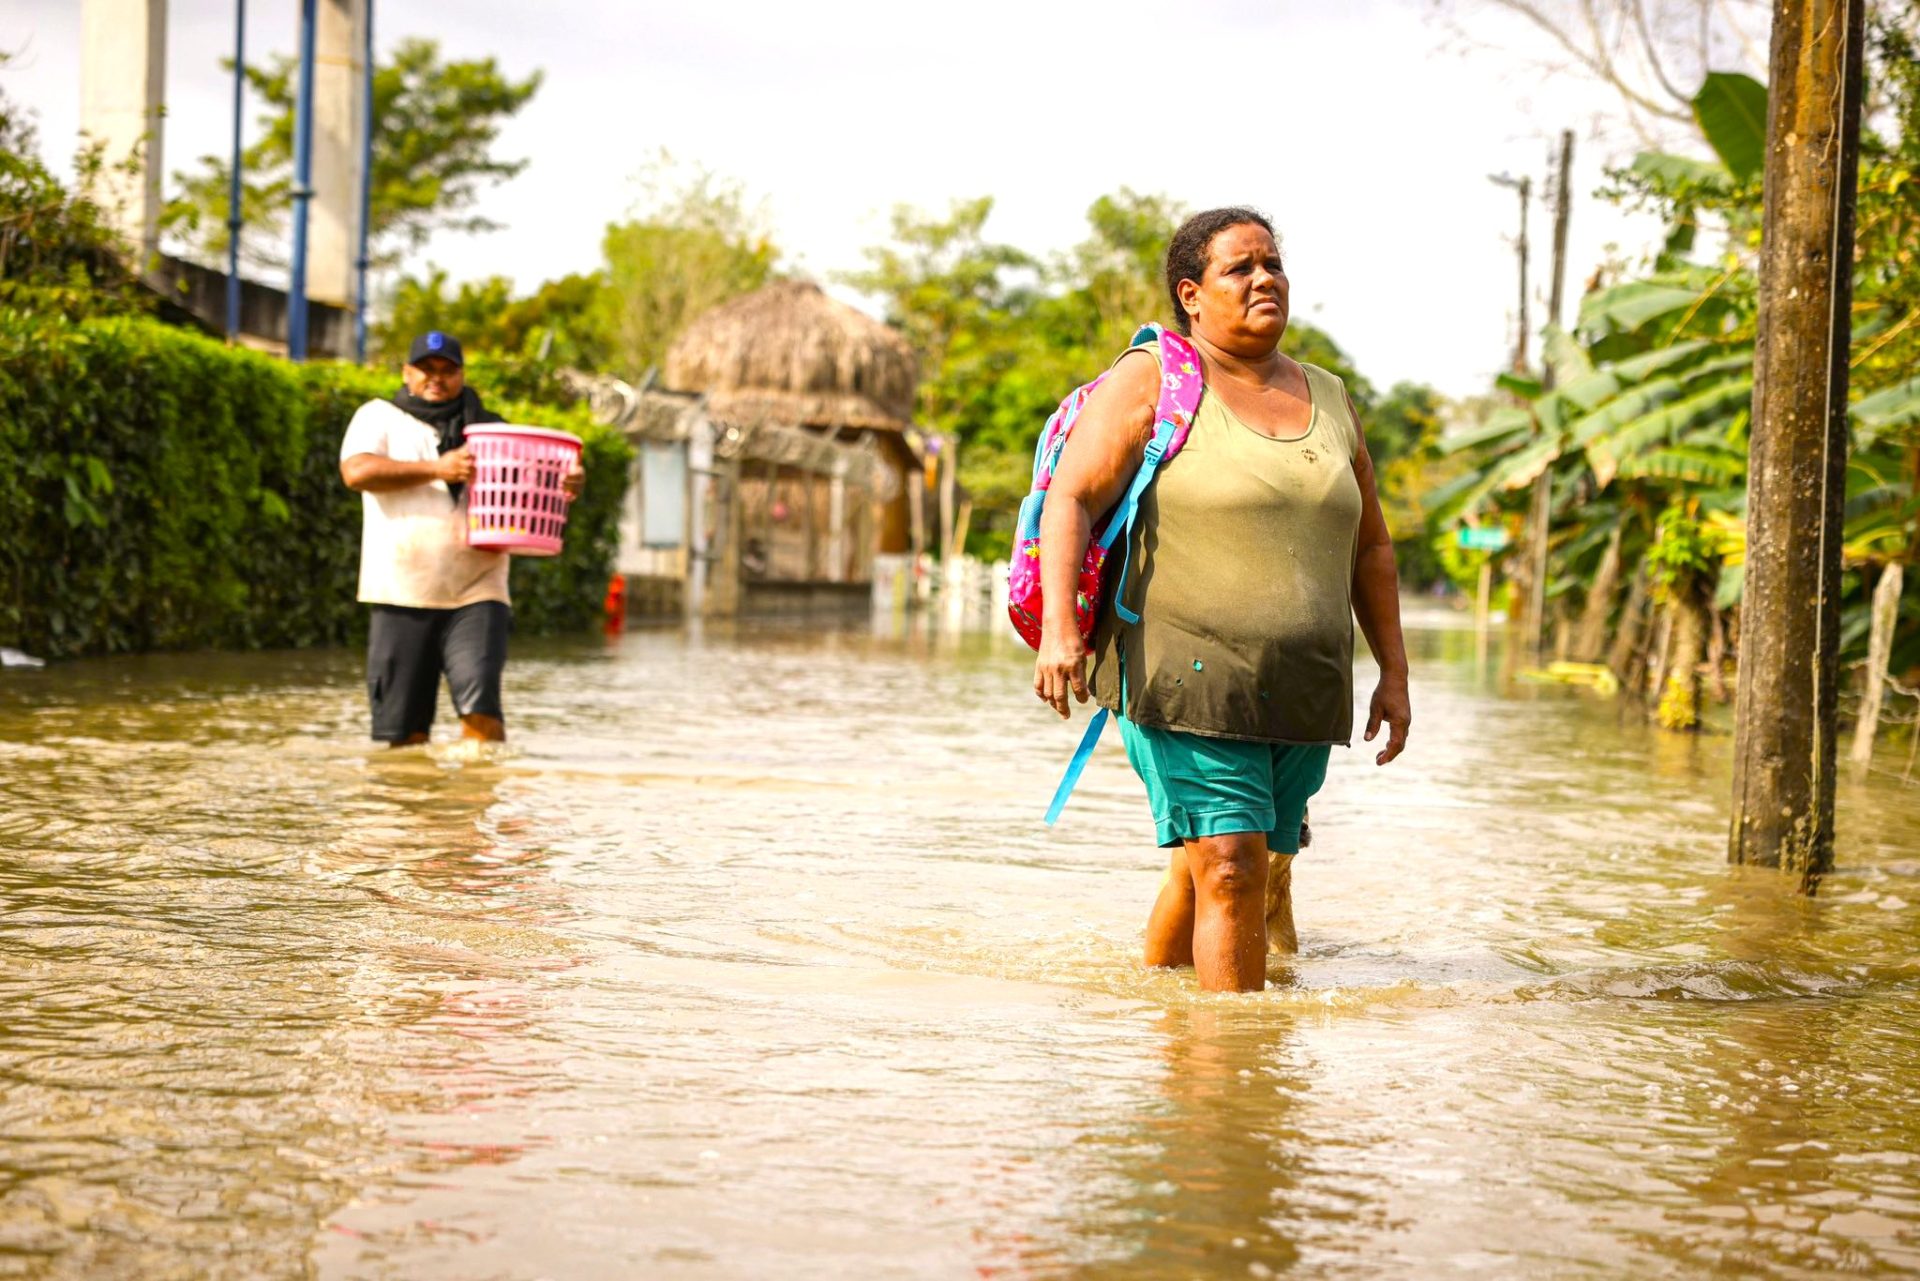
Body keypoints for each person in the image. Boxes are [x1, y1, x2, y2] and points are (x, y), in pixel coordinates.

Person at [1032, 208, 1412, 993]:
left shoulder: (1331, 397)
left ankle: (1160, 1008)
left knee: (1240, 868)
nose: (1264, 278)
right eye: (1239, 267)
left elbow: (1370, 545)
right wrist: (1060, 631)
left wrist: (1395, 674)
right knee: (1233, 869)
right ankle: (1232, 1087)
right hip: (1185, 673)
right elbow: (1070, 496)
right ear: (1192, 294)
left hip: (1303, 688)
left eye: (1272, 263)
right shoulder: (1154, 379)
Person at [338, 331, 581, 747]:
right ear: (406, 372)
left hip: (478, 589)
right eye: (426, 369)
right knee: (404, 734)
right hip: (401, 590)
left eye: (447, 371)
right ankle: (417, 809)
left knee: (480, 707)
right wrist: (438, 469)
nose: (437, 378)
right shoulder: (378, 416)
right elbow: (356, 472)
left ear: (461, 374)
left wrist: (568, 480)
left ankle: (477, 803)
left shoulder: (491, 428)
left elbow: (537, 481)